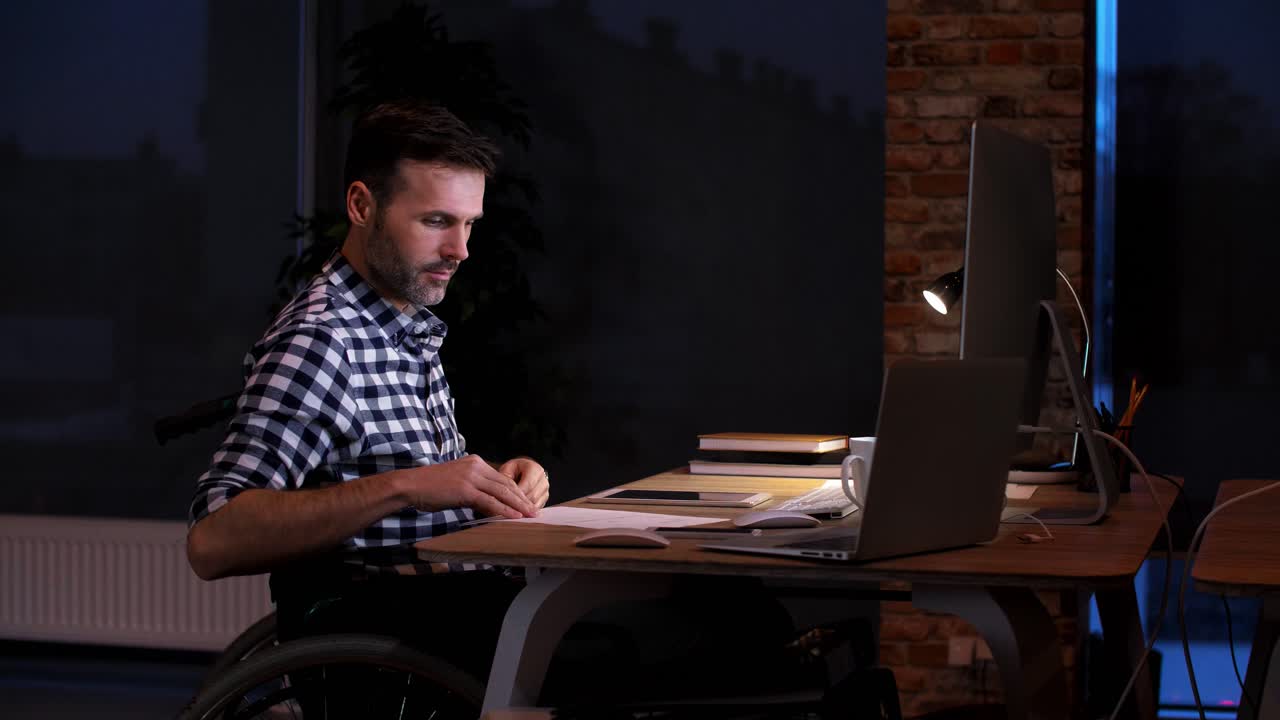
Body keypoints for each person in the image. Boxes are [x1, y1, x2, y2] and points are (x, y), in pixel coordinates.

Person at [186, 100, 546, 678]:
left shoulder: (400, 323)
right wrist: (407, 487)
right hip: (403, 637)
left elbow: (423, 488)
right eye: (436, 221)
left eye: (469, 224)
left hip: (451, 609)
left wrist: (491, 482)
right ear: (362, 206)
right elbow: (213, 540)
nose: (461, 250)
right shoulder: (323, 341)